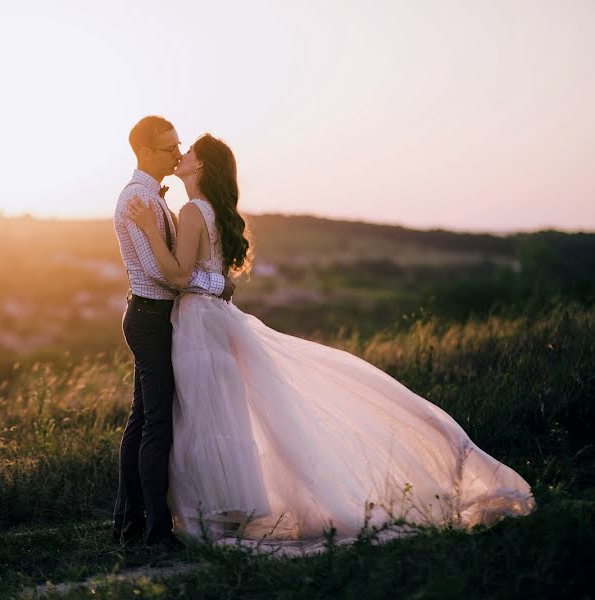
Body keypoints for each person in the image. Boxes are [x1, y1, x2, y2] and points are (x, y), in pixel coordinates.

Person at [126, 133, 535, 552]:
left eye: (189, 150)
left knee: (202, 415)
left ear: (203, 166)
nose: (182, 154)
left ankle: (209, 512)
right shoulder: (210, 211)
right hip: (214, 319)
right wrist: (216, 282)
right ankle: (227, 510)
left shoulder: (194, 210)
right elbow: (215, 277)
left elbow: (177, 276)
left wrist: (148, 230)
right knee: (220, 415)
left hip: (198, 322)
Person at [112, 116, 235, 551]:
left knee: (143, 420)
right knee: (157, 425)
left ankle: (128, 522)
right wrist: (217, 285)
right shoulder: (136, 201)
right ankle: (156, 532)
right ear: (145, 152)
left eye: (180, 147)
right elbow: (163, 274)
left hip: (160, 317)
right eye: (169, 148)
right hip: (150, 317)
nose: (178, 154)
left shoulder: (154, 198)